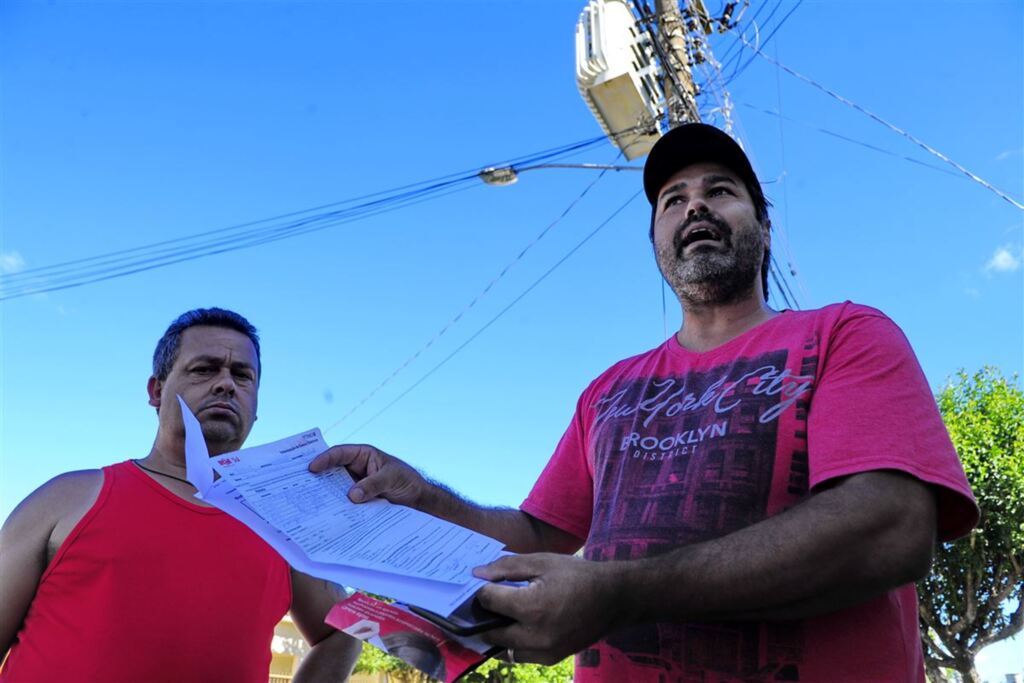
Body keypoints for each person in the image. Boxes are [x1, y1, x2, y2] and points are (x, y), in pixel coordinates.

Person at [309, 123, 979, 682]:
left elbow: (892, 524)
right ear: (657, 240)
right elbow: (539, 535)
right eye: (672, 200)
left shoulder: (845, 333)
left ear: (763, 227)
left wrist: (616, 592)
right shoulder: (607, 390)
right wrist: (423, 496)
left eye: (721, 190)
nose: (695, 207)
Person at [0, 307, 360, 682]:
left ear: (256, 408)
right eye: (204, 369)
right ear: (156, 391)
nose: (226, 384)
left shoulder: (281, 526)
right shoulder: (66, 499)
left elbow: (344, 632)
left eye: (243, 376)